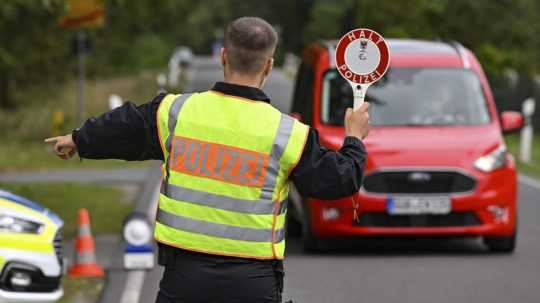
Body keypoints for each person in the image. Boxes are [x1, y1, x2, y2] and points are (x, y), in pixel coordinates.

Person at [45, 17, 370, 303]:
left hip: (185, 278)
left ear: (223, 57)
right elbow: (339, 180)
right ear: (269, 66)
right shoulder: (288, 134)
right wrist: (354, 137)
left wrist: (78, 139)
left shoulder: (176, 112)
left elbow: (125, 125)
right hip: (253, 283)